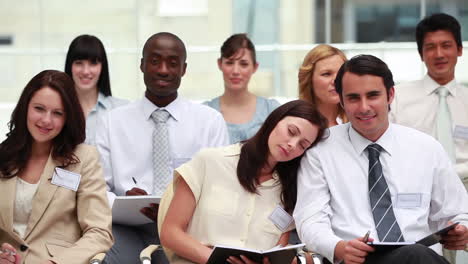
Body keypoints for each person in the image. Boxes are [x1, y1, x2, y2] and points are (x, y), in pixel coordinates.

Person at [293, 55, 468, 264]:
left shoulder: (426, 148)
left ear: (390, 94)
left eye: (373, 95)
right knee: (415, 254)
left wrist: (461, 230)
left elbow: (458, 211)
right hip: (357, 260)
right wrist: (338, 248)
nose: (364, 107)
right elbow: (310, 219)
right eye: (353, 98)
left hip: (420, 258)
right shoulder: (320, 151)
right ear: (341, 100)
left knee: (415, 253)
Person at [96, 32, 229, 264]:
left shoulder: (210, 122)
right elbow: (96, 189)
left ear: (184, 69)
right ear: (142, 65)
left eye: (173, 63)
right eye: (155, 61)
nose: (163, 70)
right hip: (126, 230)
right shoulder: (111, 122)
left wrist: (177, 209)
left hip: (189, 229)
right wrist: (122, 203)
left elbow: (221, 189)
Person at [158, 100, 328, 264]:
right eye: (291, 131)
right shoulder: (210, 161)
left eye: (302, 145)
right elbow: (170, 233)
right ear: (275, 120)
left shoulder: (289, 190)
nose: (292, 144)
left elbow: (277, 251)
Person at [0, 70, 113, 264]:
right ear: (25, 107)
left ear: (68, 117)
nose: (46, 120)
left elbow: (99, 232)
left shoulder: (84, 159)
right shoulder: (3, 155)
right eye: (39, 109)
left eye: (57, 113)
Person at [390, 13, 467, 190]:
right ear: (421, 54)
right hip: (414, 192)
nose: (439, 54)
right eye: (430, 47)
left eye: (446, 45)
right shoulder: (397, 98)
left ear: (459, 49)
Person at [204, 33, 280, 144]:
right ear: (220, 64)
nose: (235, 71)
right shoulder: (206, 112)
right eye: (229, 63)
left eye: (243, 64)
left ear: (255, 67)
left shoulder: (271, 110)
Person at [65, 34, 127, 145]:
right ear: (70, 66)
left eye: (93, 63)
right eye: (79, 63)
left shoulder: (121, 110)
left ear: (102, 67)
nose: (85, 71)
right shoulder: (58, 110)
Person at [298, 44, 348, 126]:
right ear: (309, 79)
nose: (336, 81)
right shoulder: (297, 125)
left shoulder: (357, 123)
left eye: (341, 73)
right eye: (326, 74)